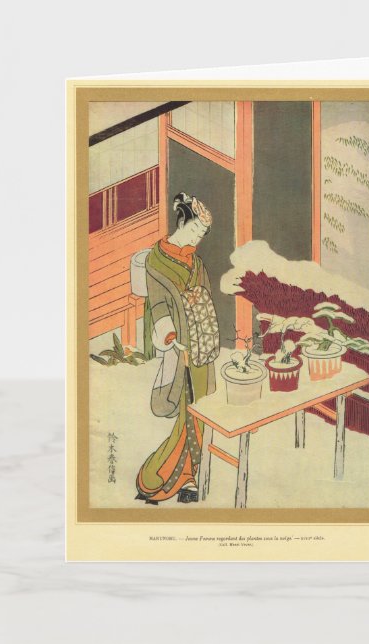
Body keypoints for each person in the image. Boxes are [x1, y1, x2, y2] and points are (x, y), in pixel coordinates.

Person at [135, 192, 219, 504]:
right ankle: (177, 477)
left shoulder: (196, 263)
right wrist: (171, 337)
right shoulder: (156, 261)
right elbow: (157, 304)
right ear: (182, 221)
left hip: (202, 347)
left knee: (202, 410)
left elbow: (205, 296)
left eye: (202, 234)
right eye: (195, 230)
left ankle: (194, 475)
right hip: (180, 347)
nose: (197, 238)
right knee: (189, 413)